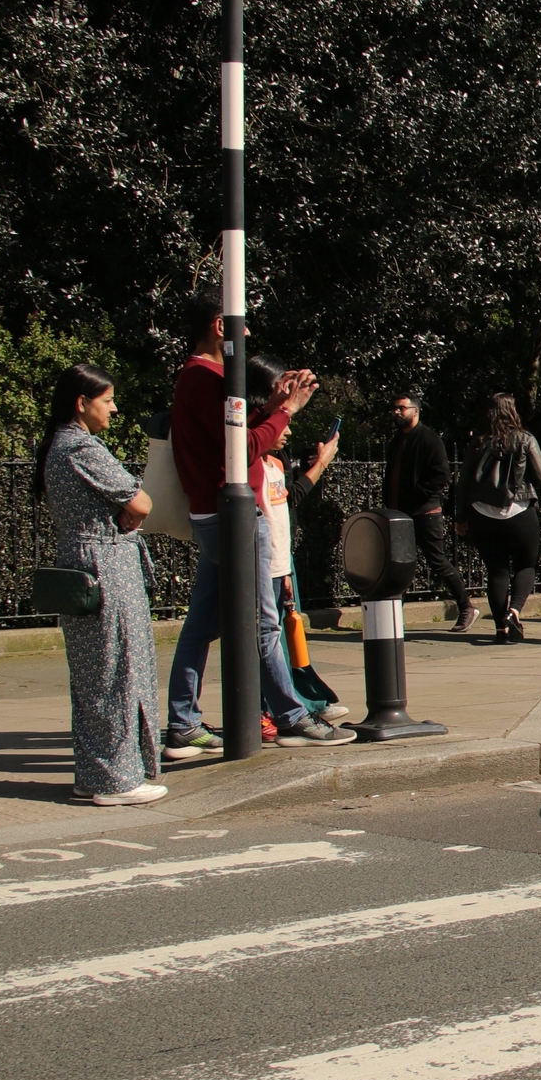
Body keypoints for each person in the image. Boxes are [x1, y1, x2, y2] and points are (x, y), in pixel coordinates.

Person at [163, 298, 355, 751]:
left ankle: (184, 723)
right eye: (240, 326)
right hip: (232, 517)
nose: (247, 335)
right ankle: (290, 718)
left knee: (202, 623)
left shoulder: (197, 378)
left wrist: (274, 404)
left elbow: (230, 436)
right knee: (264, 622)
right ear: (218, 326)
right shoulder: (206, 378)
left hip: (215, 515)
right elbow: (243, 447)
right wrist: (285, 411)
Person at [33, 364, 167, 806]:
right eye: (107, 400)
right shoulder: (82, 448)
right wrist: (130, 510)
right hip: (106, 565)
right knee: (118, 668)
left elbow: (133, 504)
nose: (113, 407)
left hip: (85, 561)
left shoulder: (58, 445)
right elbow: (142, 500)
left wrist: (128, 509)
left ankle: (95, 773)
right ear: (81, 402)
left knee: (96, 671)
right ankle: (116, 779)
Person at [245, 356, 348, 725]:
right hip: (264, 559)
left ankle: (289, 705)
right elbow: (286, 502)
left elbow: (285, 505)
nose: (286, 428)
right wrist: (320, 465)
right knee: (265, 634)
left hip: (275, 561)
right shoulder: (253, 453)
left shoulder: (273, 459)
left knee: (273, 634)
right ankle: (280, 710)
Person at [458, 393, 541, 644]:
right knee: (526, 565)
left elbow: (463, 481)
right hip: (518, 510)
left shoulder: (478, 441)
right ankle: (514, 611)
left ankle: (501, 630)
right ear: (513, 411)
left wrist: (460, 516)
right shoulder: (525, 438)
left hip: (481, 513)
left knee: (496, 571)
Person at [385, 393, 474, 632]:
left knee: (437, 562)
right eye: (394, 408)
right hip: (399, 513)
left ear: (415, 411)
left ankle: (466, 607)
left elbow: (441, 474)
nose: (396, 412)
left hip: (425, 512)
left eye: (401, 408)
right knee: (398, 564)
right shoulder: (397, 441)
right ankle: (393, 619)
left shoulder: (428, 438)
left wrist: (419, 494)